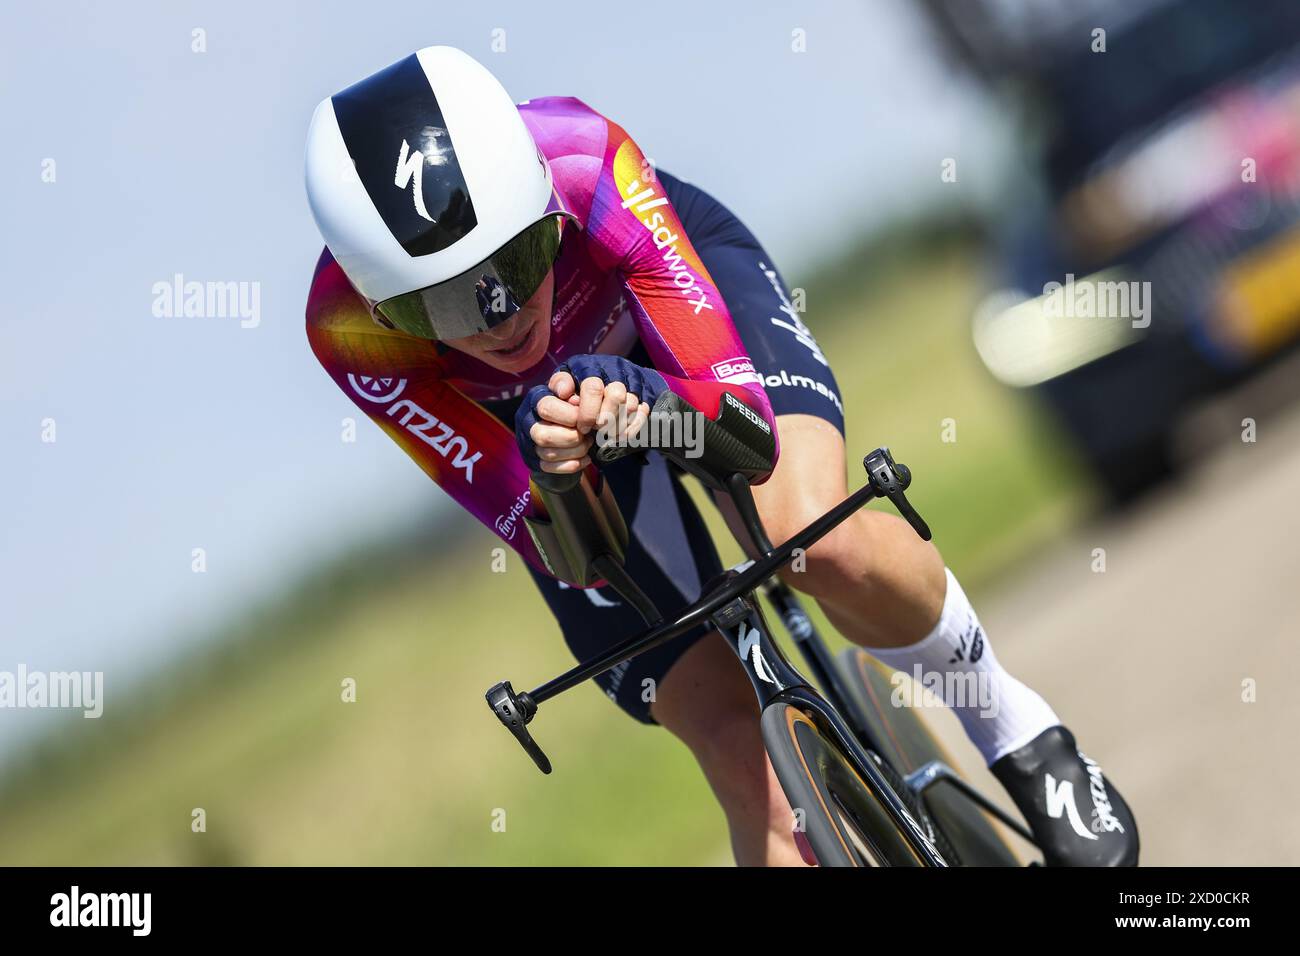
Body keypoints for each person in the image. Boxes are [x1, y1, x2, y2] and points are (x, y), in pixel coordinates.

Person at [303, 46, 1139, 866]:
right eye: (445, 303)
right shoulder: (349, 334)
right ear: (384, 305)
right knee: (736, 752)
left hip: (682, 352)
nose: (501, 317)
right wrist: (559, 473)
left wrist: (651, 408)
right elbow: (566, 553)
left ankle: (1014, 730)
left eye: (519, 261)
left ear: (544, 204)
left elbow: (744, 430)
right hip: (551, 443)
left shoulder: (585, 158)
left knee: (813, 536)